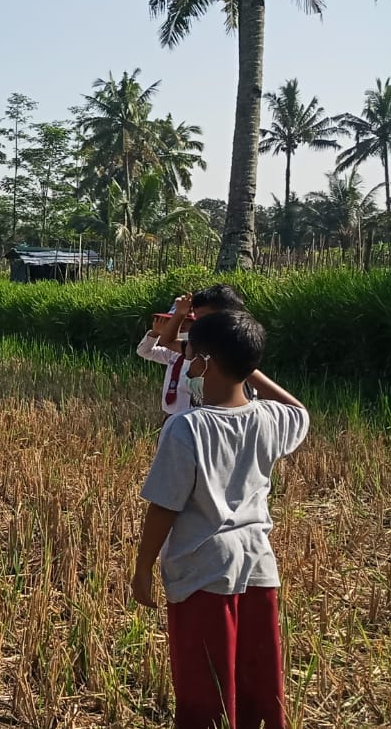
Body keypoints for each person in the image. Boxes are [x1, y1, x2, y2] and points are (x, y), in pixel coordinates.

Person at [133, 309, 308, 729]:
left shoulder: (186, 429)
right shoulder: (269, 418)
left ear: (206, 363)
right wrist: (249, 368)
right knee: (258, 681)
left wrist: (141, 568)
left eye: (190, 354)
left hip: (204, 571)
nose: (185, 363)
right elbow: (297, 408)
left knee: (203, 687)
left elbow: (164, 507)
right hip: (259, 565)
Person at [137, 284, 249, 417]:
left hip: (201, 418)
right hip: (173, 415)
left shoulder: (225, 353)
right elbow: (148, 350)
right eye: (172, 321)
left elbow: (168, 340)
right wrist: (156, 332)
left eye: (187, 321)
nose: (180, 325)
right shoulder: (181, 349)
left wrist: (179, 315)